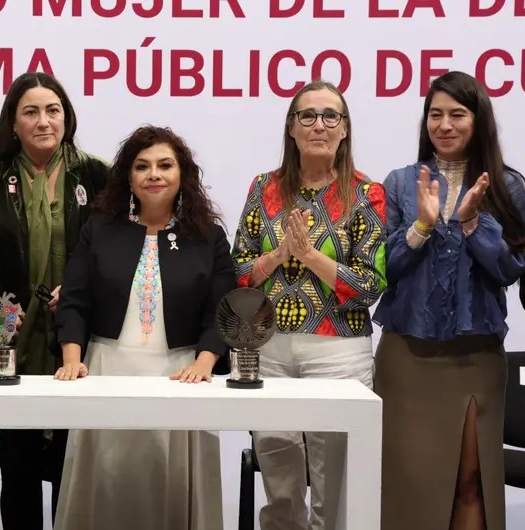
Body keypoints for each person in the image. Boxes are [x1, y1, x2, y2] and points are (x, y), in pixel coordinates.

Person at [53, 125, 234, 530]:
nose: (154, 174)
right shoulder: (100, 229)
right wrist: (71, 360)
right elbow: (75, 300)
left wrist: (204, 363)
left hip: (183, 375)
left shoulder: (208, 236)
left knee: (171, 488)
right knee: (109, 485)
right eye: (142, 166)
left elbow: (221, 310)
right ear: (128, 177)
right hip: (106, 371)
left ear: (182, 174)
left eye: (165, 165)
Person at [231, 80, 387, 530]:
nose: (319, 125)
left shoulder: (367, 193)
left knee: (333, 486)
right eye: (308, 115)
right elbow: (238, 270)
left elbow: (371, 284)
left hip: (338, 352)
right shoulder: (264, 188)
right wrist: (278, 256)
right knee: (278, 480)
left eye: (330, 115)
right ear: (292, 128)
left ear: (345, 129)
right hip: (268, 348)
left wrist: (310, 257)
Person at [372, 71, 525, 530]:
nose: (444, 125)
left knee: (470, 481)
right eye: (435, 114)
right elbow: (383, 269)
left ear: (478, 120)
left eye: (457, 114)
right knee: (406, 484)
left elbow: (509, 270)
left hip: (475, 358)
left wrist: (473, 223)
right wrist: (421, 226)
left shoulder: (508, 186)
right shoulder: (401, 183)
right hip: (407, 357)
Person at [0, 72, 109, 529]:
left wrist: (82, 290)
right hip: (8, 340)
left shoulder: (98, 175)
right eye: (31, 112)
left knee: (75, 473)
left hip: (80, 342)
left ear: (67, 117)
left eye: (53, 110)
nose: (44, 121)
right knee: (18, 472)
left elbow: (116, 252)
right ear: (13, 122)